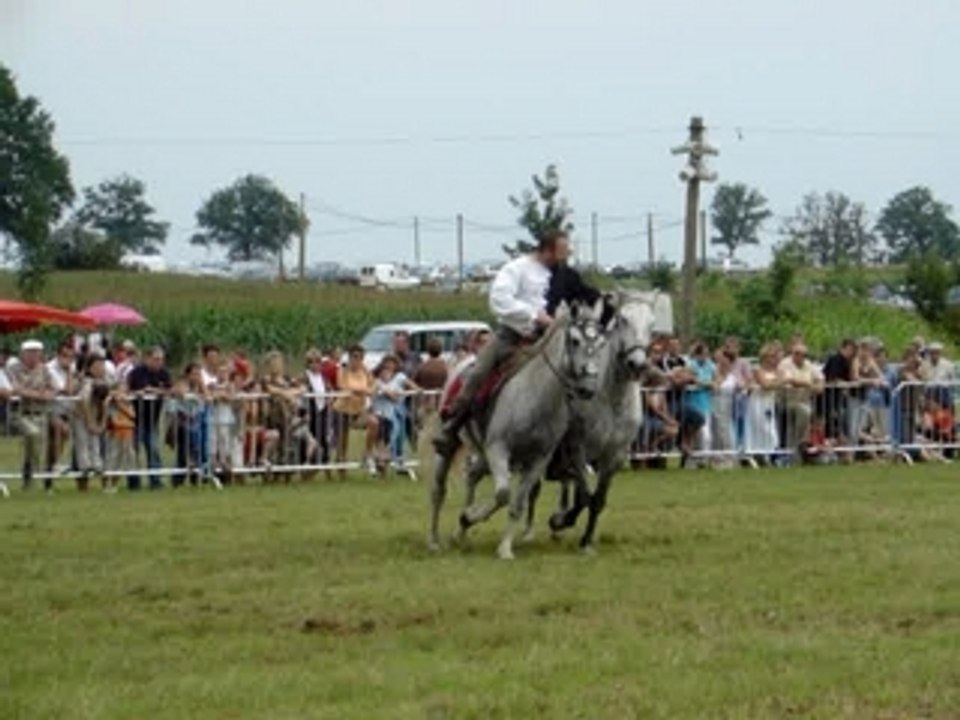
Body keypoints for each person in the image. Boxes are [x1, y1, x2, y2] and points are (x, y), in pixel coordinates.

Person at [433, 228, 583, 457]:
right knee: (479, 373)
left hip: (547, 339)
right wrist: (534, 315)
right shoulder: (516, 269)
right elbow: (500, 300)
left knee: (575, 377)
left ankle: (570, 446)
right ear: (546, 250)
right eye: (562, 252)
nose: (566, 256)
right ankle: (452, 425)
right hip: (511, 336)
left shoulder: (561, 275)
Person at [9, 340, 57, 490]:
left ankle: (29, 480)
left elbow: (53, 390)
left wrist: (37, 394)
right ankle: (36, 471)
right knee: (33, 434)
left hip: (40, 413)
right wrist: (37, 394)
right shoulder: (13, 369)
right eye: (30, 352)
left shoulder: (45, 370)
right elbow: (15, 389)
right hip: (19, 413)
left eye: (37, 352)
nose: (33, 356)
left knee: (34, 447)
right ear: (23, 354)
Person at [126, 346, 173, 491]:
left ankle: (156, 480)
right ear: (147, 359)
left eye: (161, 360)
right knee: (133, 452)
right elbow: (127, 390)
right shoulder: (136, 373)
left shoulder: (164, 373)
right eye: (156, 359)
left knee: (154, 450)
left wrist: (156, 391)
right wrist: (138, 392)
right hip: (134, 419)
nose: (159, 362)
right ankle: (134, 482)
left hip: (152, 421)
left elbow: (171, 390)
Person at [371, 354, 420, 474]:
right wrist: (392, 394)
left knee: (398, 435)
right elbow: (386, 395)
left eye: (391, 364)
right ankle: (381, 462)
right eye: (386, 365)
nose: (389, 367)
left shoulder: (400, 377)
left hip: (395, 411)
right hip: (381, 414)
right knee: (386, 437)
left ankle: (396, 461)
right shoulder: (378, 382)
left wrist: (411, 392)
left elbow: (414, 388)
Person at [333, 345, 377, 478]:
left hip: (359, 410)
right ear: (350, 357)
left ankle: (367, 453)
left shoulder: (365, 370)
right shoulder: (343, 370)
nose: (357, 360)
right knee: (343, 443)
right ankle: (342, 471)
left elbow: (373, 384)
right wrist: (362, 391)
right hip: (342, 409)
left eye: (360, 357)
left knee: (374, 423)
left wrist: (369, 390)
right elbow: (343, 386)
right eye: (354, 357)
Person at [73, 354, 110, 491]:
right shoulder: (86, 382)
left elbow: (106, 402)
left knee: (95, 444)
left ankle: (97, 466)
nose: (100, 368)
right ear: (89, 367)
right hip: (81, 418)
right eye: (97, 365)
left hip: (95, 417)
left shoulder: (105, 381)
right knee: (83, 443)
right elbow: (84, 401)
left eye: (102, 365)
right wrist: (89, 422)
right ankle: (85, 468)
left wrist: (101, 423)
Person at [780, 343, 824, 458]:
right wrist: (808, 384)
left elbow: (820, 378)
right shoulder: (785, 363)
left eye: (803, 354)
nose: (799, 356)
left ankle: (803, 448)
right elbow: (789, 380)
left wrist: (819, 385)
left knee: (813, 416)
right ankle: (799, 445)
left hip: (805, 400)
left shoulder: (808, 364)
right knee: (804, 412)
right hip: (787, 401)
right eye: (796, 353)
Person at [304, 348, 332, 476]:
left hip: (322, 412)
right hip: (309, 414)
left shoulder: (323, 378)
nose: (315, 365)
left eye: (317, 362)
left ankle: (325, 467)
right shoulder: (304, 376)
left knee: (324, 441)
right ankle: (310, 466)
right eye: (311, 362)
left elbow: (330, 391)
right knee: (313, 441)